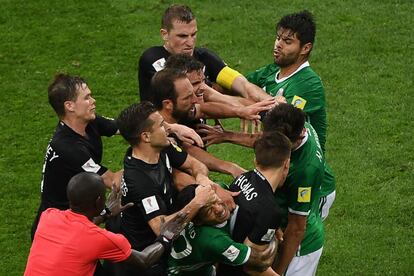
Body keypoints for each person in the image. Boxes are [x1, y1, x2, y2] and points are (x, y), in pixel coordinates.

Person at [115, 101, 229, 275]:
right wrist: (198, 201)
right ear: (146, 137)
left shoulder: (162, 148)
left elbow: (194, 165)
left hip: (166, 240)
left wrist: (202, 178)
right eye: (161, 125)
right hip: (147, 257)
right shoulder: (139, 180)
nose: (168, 129)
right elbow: (160, 228)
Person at [245, 10, 335, 221]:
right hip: (282, 170)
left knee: (299, 236)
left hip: (311, 179)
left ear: (305, 48)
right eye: (278, 38)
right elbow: (241, 85)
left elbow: (278, 122)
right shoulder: (272, 71)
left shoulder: (309, 84)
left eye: (287, 41)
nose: (278, 44)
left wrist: (240, 111)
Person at [25, 172, 187, 276]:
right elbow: (144, 260)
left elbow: (76, 230)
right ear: (98, 201)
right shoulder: (99, 239)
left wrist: (105, 213)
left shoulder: (48, 216)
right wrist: (166, 235)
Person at [31, 73, 122, 240]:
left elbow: (127, 126)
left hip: (73, 221)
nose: (93, 101)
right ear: (70, 106)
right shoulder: (67, 146)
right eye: (87, 98)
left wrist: (168, 127)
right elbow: (113, 182)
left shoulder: (89, 121)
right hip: (56, 232)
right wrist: (144, 158)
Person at [138, 4, 270, 102]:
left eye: (193, 34)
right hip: (162, 136)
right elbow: (195, 95)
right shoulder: (153, 59)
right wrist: (245, 108)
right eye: (182, 36)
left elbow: (240, 83)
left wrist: (272, 103)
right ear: (164, 34)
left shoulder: (204, 57)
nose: (190, 42)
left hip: (198, 137)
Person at [216, 131, 292, 276]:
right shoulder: (269, 211)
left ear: (255, 161)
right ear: (286, 164)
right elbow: (251, 266)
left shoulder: (243, 178)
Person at [262, 104, 325, 276]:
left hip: (301, 248)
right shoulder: (300, 124)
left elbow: (297, 228)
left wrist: (279, 271)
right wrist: (227, 136)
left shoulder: (304, 171)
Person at [151, 68, 247, 178]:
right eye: (187, 97)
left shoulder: (170, 124)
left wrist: (242, 111)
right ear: (168, 104)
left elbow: (187, 149)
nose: (195, 100)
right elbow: (181, 180)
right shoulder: (158, 141)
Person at [168, 184, 278, 276]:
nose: (219, 209)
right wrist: (272, 233)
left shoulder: (188, 216)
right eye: (209, 211)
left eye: (215, 200)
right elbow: (261, 261)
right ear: (198, 222)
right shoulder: (214, 240)